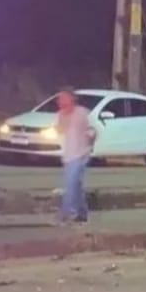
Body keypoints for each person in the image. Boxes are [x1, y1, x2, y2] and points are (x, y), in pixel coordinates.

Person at [55, 88, 96, 224]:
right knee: (76, 186)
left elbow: (93, 129)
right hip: (68, 155)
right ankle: (82, 214)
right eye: (59, 100)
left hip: (81, 154)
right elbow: (60, 131)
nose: (60, 102)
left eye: (63, 99)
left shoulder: (82, 113)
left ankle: (66, 215)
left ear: (71, 100)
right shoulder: (61, 115)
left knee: (70, 185)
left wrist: (90, 137)